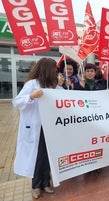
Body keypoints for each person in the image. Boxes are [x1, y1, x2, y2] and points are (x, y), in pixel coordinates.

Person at [12, 58, 63, 199]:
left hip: (50, 127)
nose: (56, 71)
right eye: (54, 68)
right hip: (36, 127)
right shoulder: (32, 84)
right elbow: (16, 102)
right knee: (37, 157)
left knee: (47, 156)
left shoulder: (54, 85)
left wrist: (62, 86)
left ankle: (46, 182)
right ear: (47, 69)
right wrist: (31, 96)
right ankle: (36, 185)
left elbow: (64, 99)